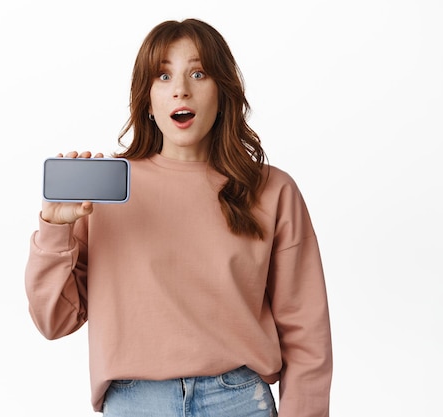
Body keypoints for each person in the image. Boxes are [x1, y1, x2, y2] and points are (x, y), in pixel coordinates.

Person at [25, 18, 332, 417]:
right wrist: (56, 229)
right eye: (163, 75)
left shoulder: (272, 190)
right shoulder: (106, 191)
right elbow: (54, 321)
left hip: (240, 401)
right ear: (147, 98)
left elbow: (306, 332)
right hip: (135, 402)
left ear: (222, 91)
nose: (180, 89)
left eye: (198, 73)